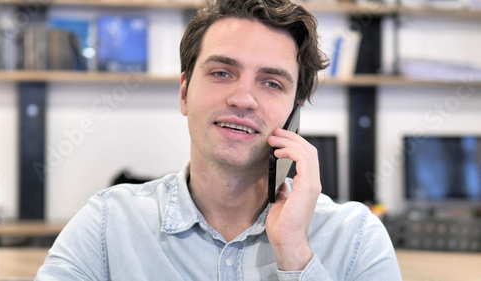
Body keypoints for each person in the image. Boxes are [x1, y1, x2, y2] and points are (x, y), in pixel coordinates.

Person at [36, 0, 402, 280]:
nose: (243, 99)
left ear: (295, 112)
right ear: (184, 93)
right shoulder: (107, 225)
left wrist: (295, 254)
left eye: (272, 83)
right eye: (222, 72)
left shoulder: (355, 238)